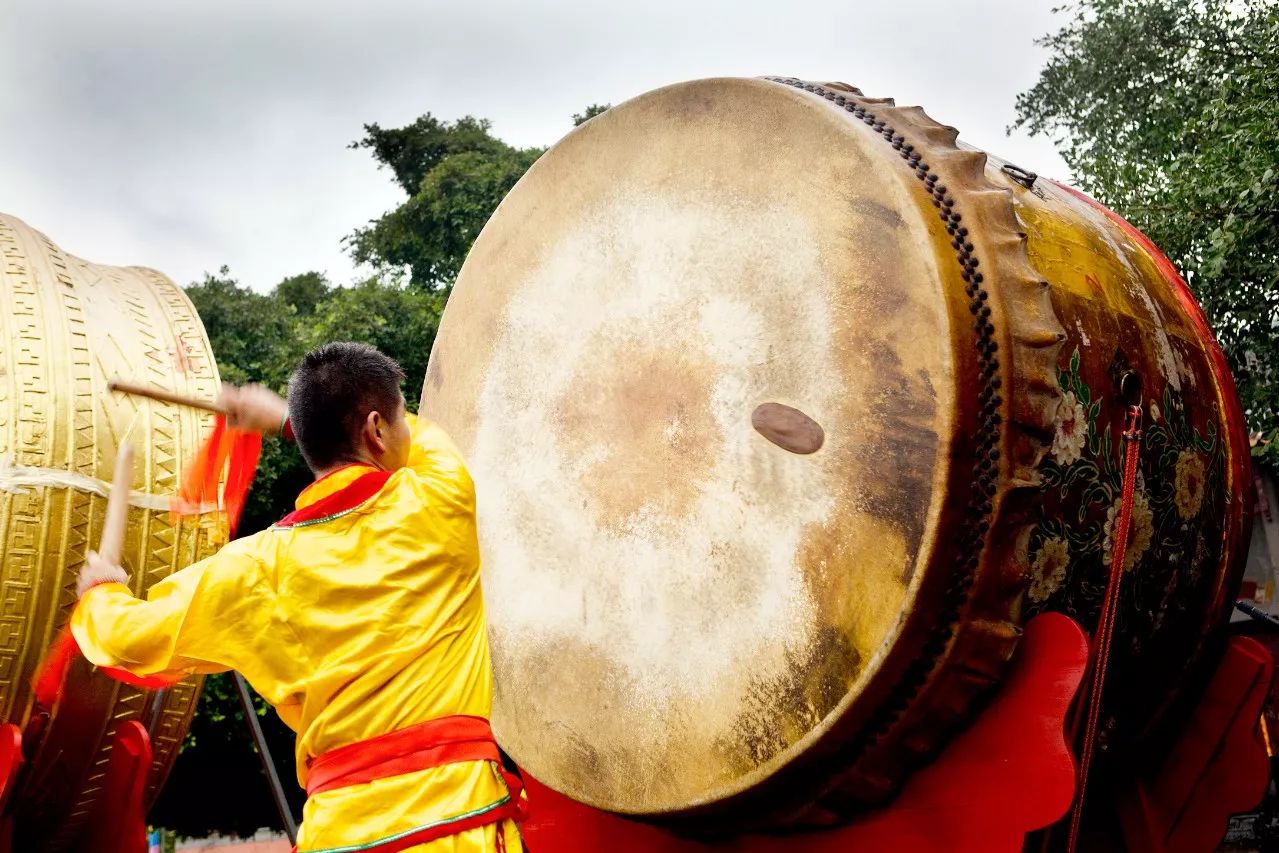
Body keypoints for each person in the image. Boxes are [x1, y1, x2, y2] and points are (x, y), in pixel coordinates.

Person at [71, 342, 524, 853]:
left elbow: (126, 638)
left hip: (340, 837)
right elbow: (418, 438)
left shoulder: (256, 569)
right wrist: (282, 419)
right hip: (460, 824)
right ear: (377, 430)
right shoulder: (441, 496)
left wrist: (101, 590)